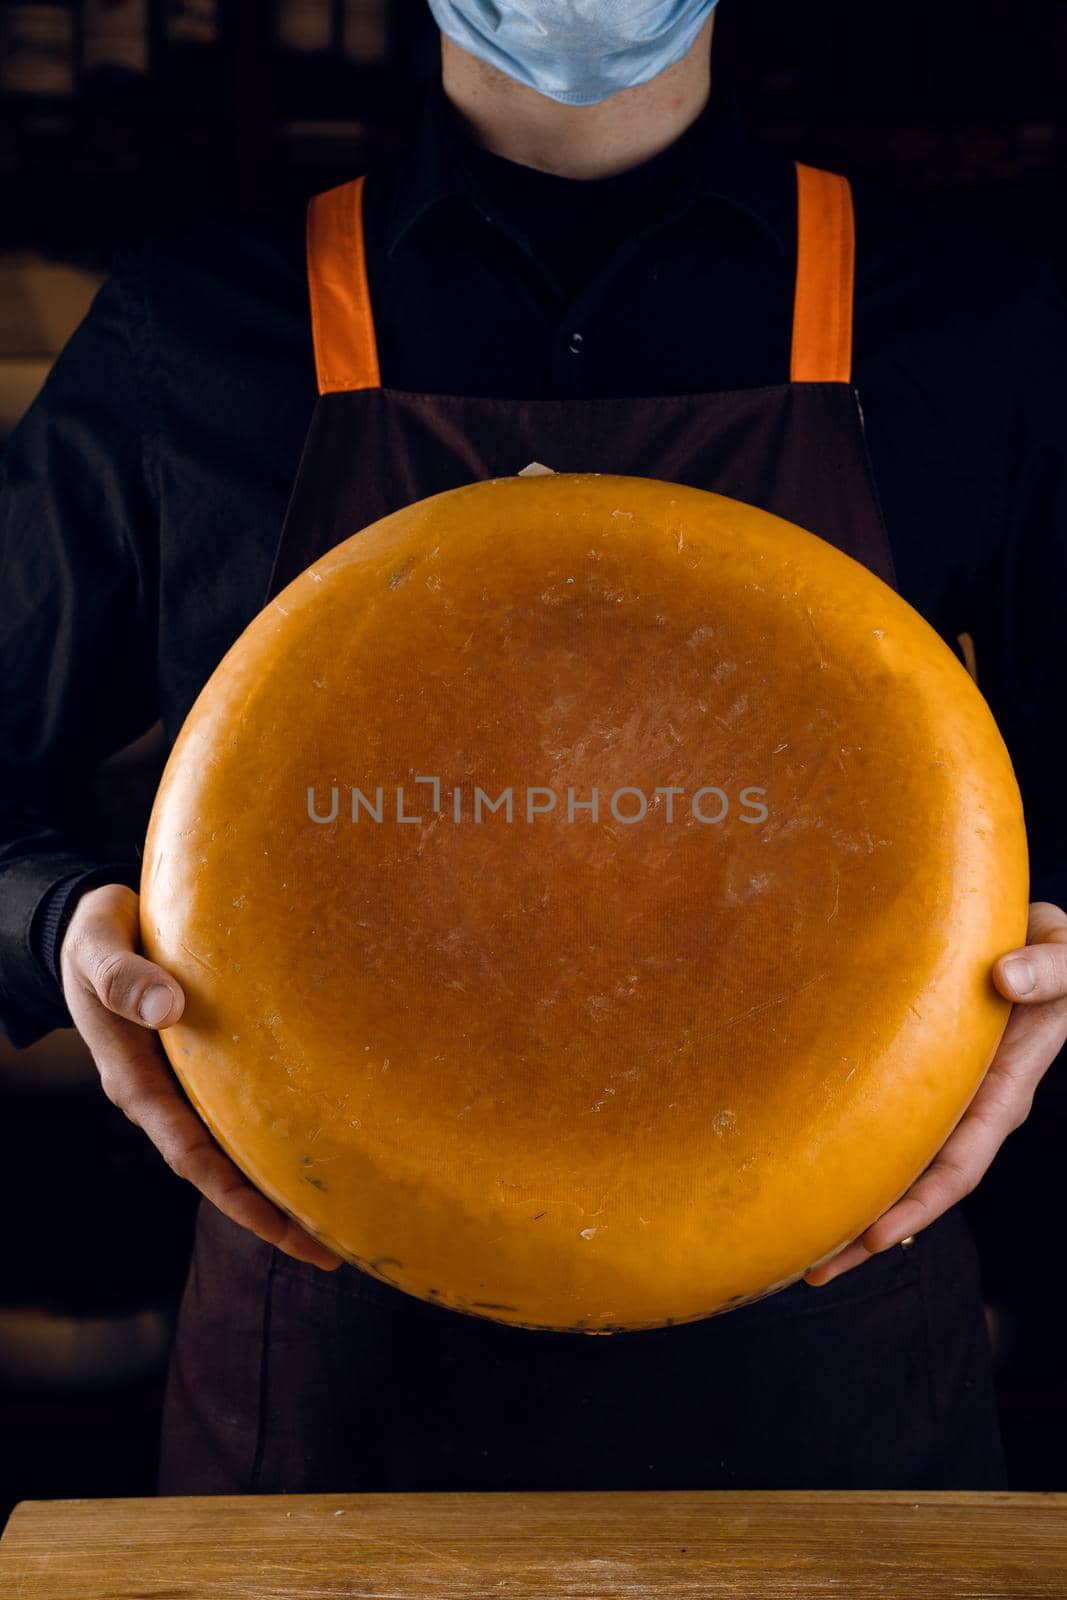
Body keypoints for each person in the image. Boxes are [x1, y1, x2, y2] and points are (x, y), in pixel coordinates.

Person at [2, 0, 1066, 1493]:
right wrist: (56, 931)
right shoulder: (199, 329)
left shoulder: (969, 325)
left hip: (829, 1380)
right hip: (332, 1384)